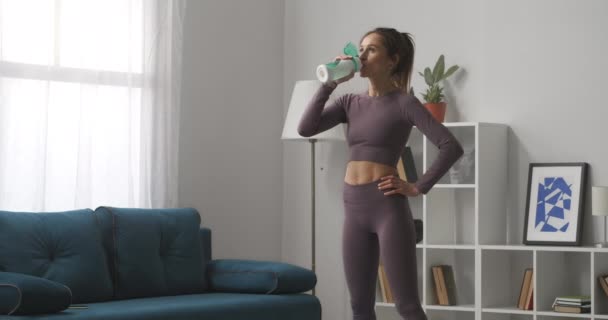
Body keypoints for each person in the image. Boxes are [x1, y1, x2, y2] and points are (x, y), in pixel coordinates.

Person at [297, 27, 463, 320]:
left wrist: (418, 186)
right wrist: (328, 85)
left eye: (371, 49)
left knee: (407, 306)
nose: (361, 55)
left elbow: (450, 146)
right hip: (353, 205)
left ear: (392, 60)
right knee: (360, 306)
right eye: (360, 49)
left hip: (387, 207)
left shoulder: (404, 103)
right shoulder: (350, 103)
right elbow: (306, 128)